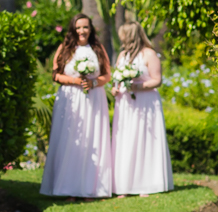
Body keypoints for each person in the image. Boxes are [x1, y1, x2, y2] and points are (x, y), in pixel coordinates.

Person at [40, 14, 113, 198]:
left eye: (85, 27)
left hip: (94, 99)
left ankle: (91, 188)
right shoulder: (65, 48)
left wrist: (94, 83)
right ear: (73, 29)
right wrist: (75, 80)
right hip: (70, 99)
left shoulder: (97, 48)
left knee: (92, 139)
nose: (82, 31)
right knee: (70, 141)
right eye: (78, 27)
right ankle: (68, 188)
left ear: (91, 29)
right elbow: (55, 75)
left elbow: (107, 75)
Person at [111, 22, 172, 196]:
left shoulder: (149, 54)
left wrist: (138, 87)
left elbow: (157, 80)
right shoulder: (122, 56)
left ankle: (145, 184)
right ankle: (124, 185)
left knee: (143, 140)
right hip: (125, 104)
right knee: (126, 141)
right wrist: (115, 89)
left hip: (145, 103)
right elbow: (117, 78)